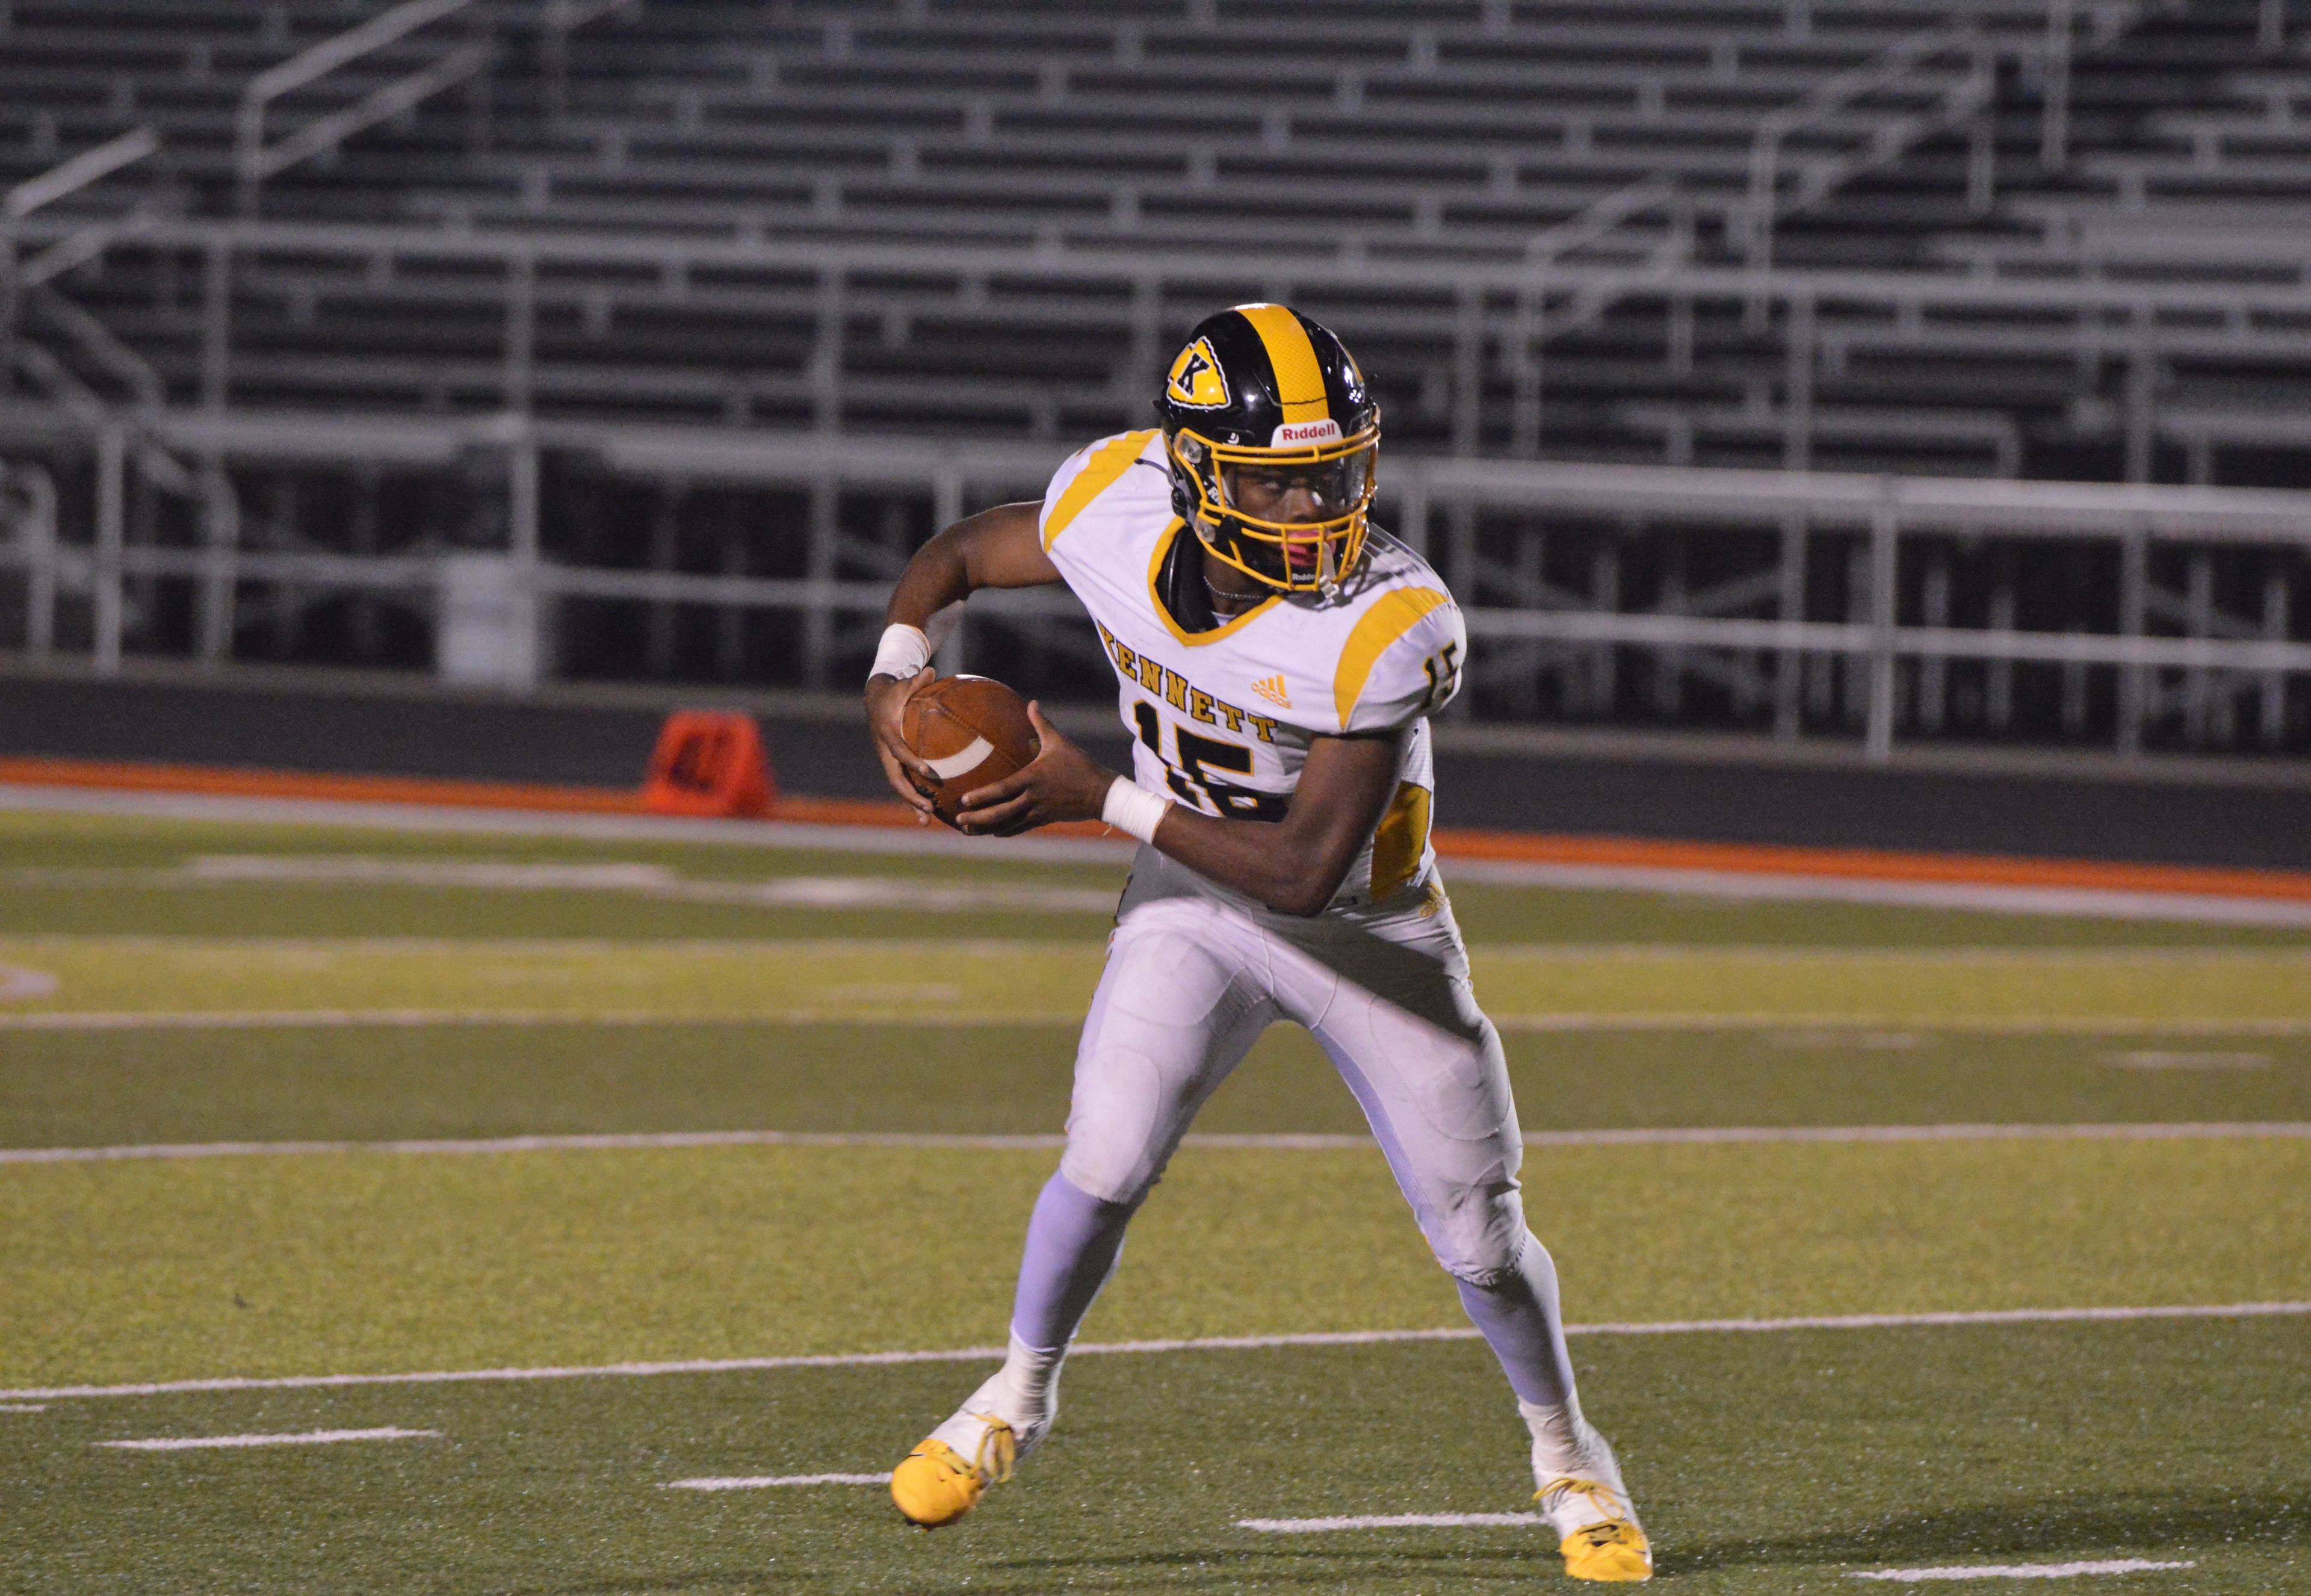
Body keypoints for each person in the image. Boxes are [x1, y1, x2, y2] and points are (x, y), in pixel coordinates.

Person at [862, 303, 1652, 1582]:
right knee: (1104, 1160)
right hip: (1190, 891)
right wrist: (892, 677)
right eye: (1281, 487)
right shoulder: (1115, 504)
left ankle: (1571, 1458)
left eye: (1335, 477)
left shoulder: (1392, 623)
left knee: (1481, 1238)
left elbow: (1301, 871)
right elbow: (957, 554)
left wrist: (1095, 795)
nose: (1317, 512)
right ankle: (1014, 1397)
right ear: (1194, 475)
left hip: (1370, 934)